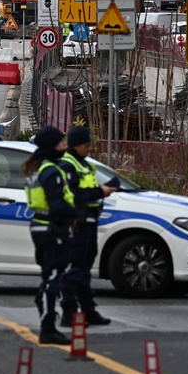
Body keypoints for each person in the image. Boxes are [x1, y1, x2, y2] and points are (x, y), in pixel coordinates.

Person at [22, 126, 77, 345]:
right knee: (53, 276)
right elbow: (57, 205)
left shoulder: (35, 168)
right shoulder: (51, 171)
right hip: (52, 228)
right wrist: (75, 212)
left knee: (49, 274)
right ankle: (48, 325)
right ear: (52, 146)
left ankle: (47, 315)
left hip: (39, 225)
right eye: (61, 142)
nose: (65, 146)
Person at [58, 126, 117, 327]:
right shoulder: (68, 165)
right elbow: (75, 194)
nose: (90, 148)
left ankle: (88, 310)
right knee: (76, 268)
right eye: (86, 145)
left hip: (89, 219)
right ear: (75, 145)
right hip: (76, 222)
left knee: (84, 267)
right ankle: (68, 313)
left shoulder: (82, 163)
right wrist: (101, 192)